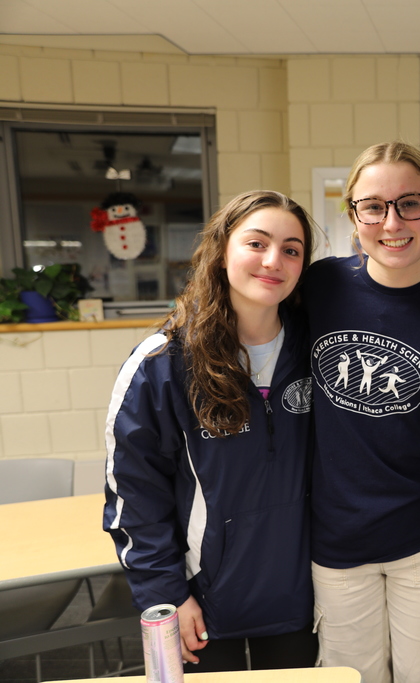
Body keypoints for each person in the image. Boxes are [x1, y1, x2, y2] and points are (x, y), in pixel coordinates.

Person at [102, 191, 321, 671]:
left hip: (302, 598)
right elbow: (135, 495)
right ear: (223, 252)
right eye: (256, 243)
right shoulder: (161, 365)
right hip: (199, 604)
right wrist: (166, 595)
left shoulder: (318, 347)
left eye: (291, 249)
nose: (273, 261)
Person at [303, 141, 420, 683]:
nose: (393, 221)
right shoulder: (319, 287)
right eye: (373, 206)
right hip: (336, 543)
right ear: (353, 216)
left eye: (410, 203)